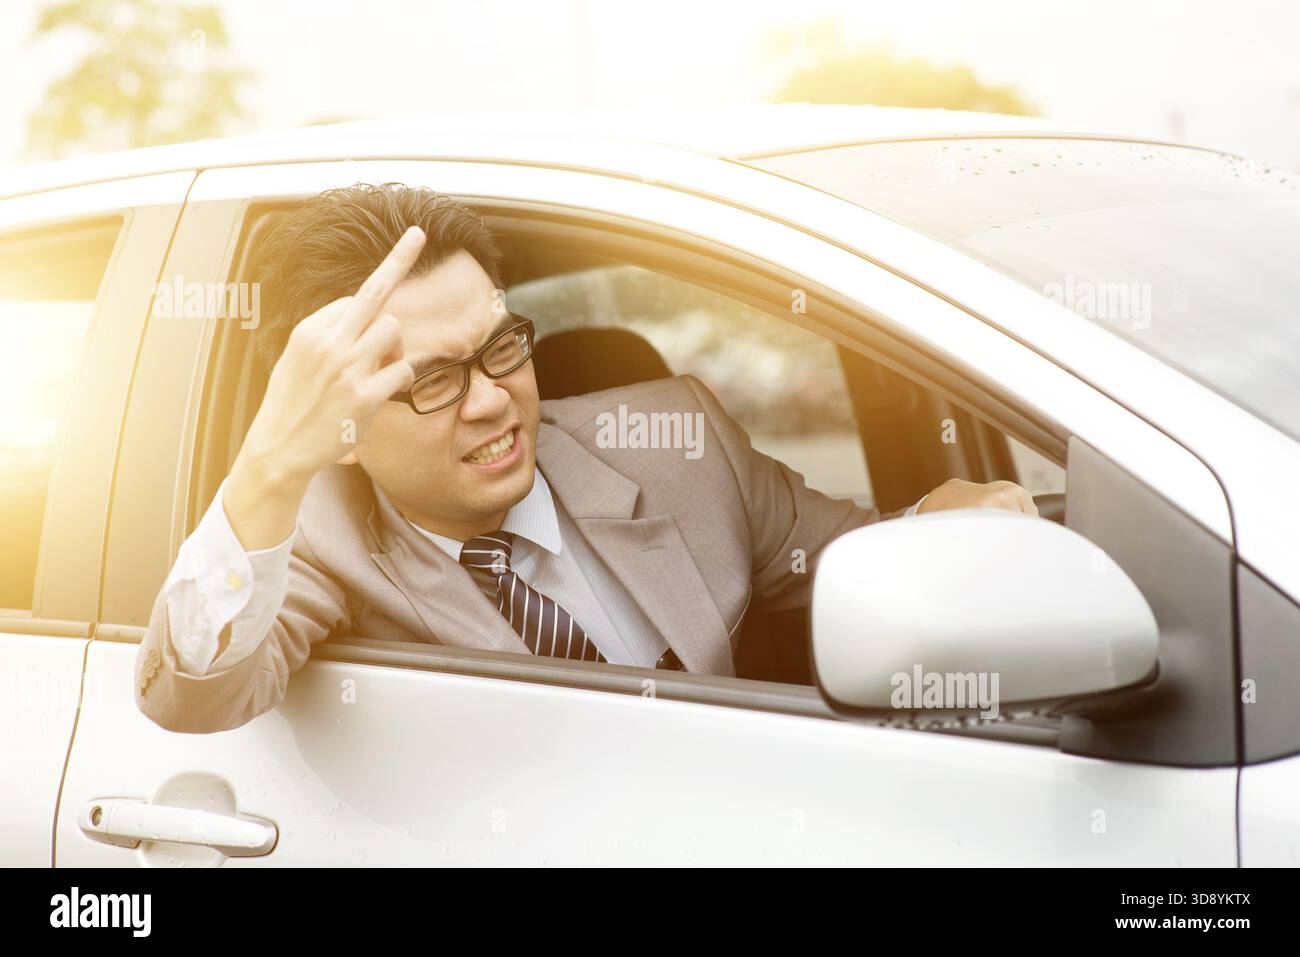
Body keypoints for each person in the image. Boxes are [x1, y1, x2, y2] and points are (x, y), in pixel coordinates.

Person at [134, 183, 1038, 733]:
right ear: (344, 420)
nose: (492, 398)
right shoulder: (314, 540)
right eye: (433, 380)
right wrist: (271, 462)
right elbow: (189, 696)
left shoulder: (680, 441)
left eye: (501, 346)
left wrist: (945, 523)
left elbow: (856, 556)